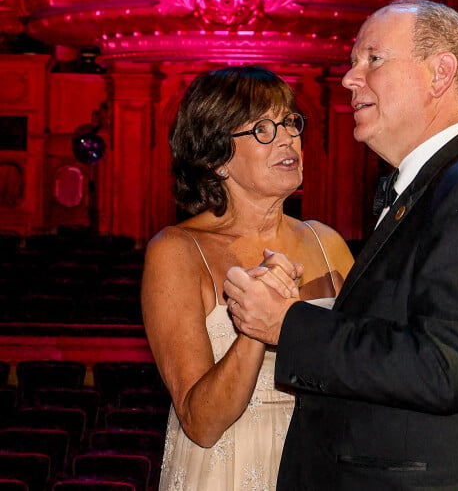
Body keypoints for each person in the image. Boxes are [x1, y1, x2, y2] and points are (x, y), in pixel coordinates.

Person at [224, 0, 458, 490]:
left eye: (372, 59)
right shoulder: (437, 187)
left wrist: (288, 323)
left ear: (440, 74)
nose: (351, 79)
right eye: (354, 63)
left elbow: (443, 368)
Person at [140, 64, 354, 491]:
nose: (289, 137)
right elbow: (201, 422)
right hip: (229, 467)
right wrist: (257, 324)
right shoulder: (177, 251)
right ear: (216, 158)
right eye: (262, 129)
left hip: (320, 462)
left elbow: (363, 367)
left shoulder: (325, 242)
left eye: (291, 122)